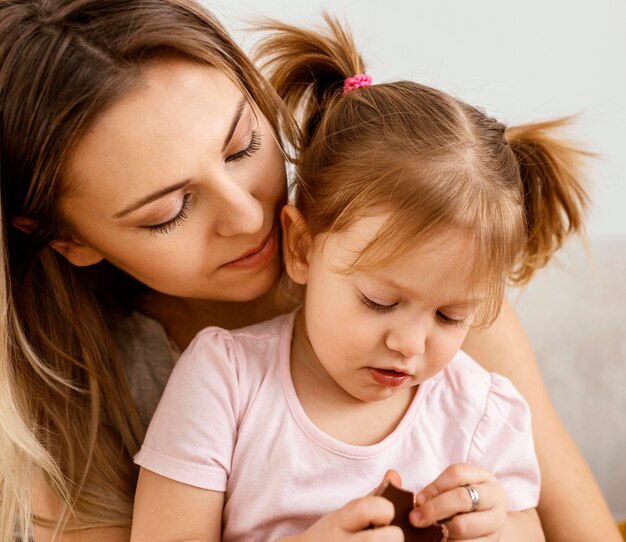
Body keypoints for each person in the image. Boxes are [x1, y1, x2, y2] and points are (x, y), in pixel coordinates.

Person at [0, 1, 620, 541]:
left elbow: (563, 525)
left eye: (243, 145)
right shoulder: (73, 407)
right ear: (68, 238)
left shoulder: (424, 276)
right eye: (170, 210)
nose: (249, 216)